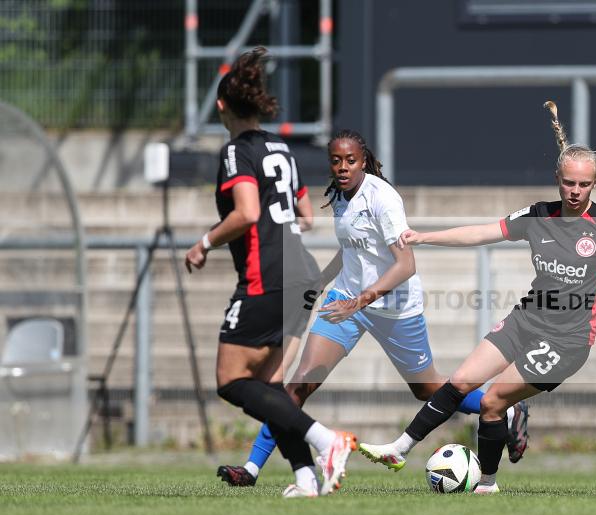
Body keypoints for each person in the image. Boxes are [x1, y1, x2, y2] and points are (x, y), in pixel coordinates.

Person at [359, 101, 596, 493]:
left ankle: (487, 482)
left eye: (583, 184)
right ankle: (399, 448)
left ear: (595, 182)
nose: (575, 191)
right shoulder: (538, 215)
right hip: (526, 320)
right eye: (568, 183)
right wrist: (425, 237)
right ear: (557, 178)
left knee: (492, 402)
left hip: (568, 341)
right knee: (461, 380)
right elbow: (483, 232)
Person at [215, 128, 531, 488]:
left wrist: (360, 301)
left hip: (395, 307)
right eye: (336, 161)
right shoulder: (338, 195)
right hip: (346, 300)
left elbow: (405, 265)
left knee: (427, 389)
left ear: (363, 161)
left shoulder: (383, 198)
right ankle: (252, 468)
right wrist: (322, 282)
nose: (343, 167)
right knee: (299, 384)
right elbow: (352, 247)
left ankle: (504, 408)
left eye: (350, 160)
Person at [184, 47, 356, 498]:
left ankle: (326, 440)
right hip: (301, 272)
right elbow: (306, 216)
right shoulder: (281, 147)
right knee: (270, 386)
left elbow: (246, 212)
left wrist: (204, 243)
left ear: (221, 105)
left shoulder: (235, 152)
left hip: (268, 275)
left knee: (231, 380)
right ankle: (305, 478)